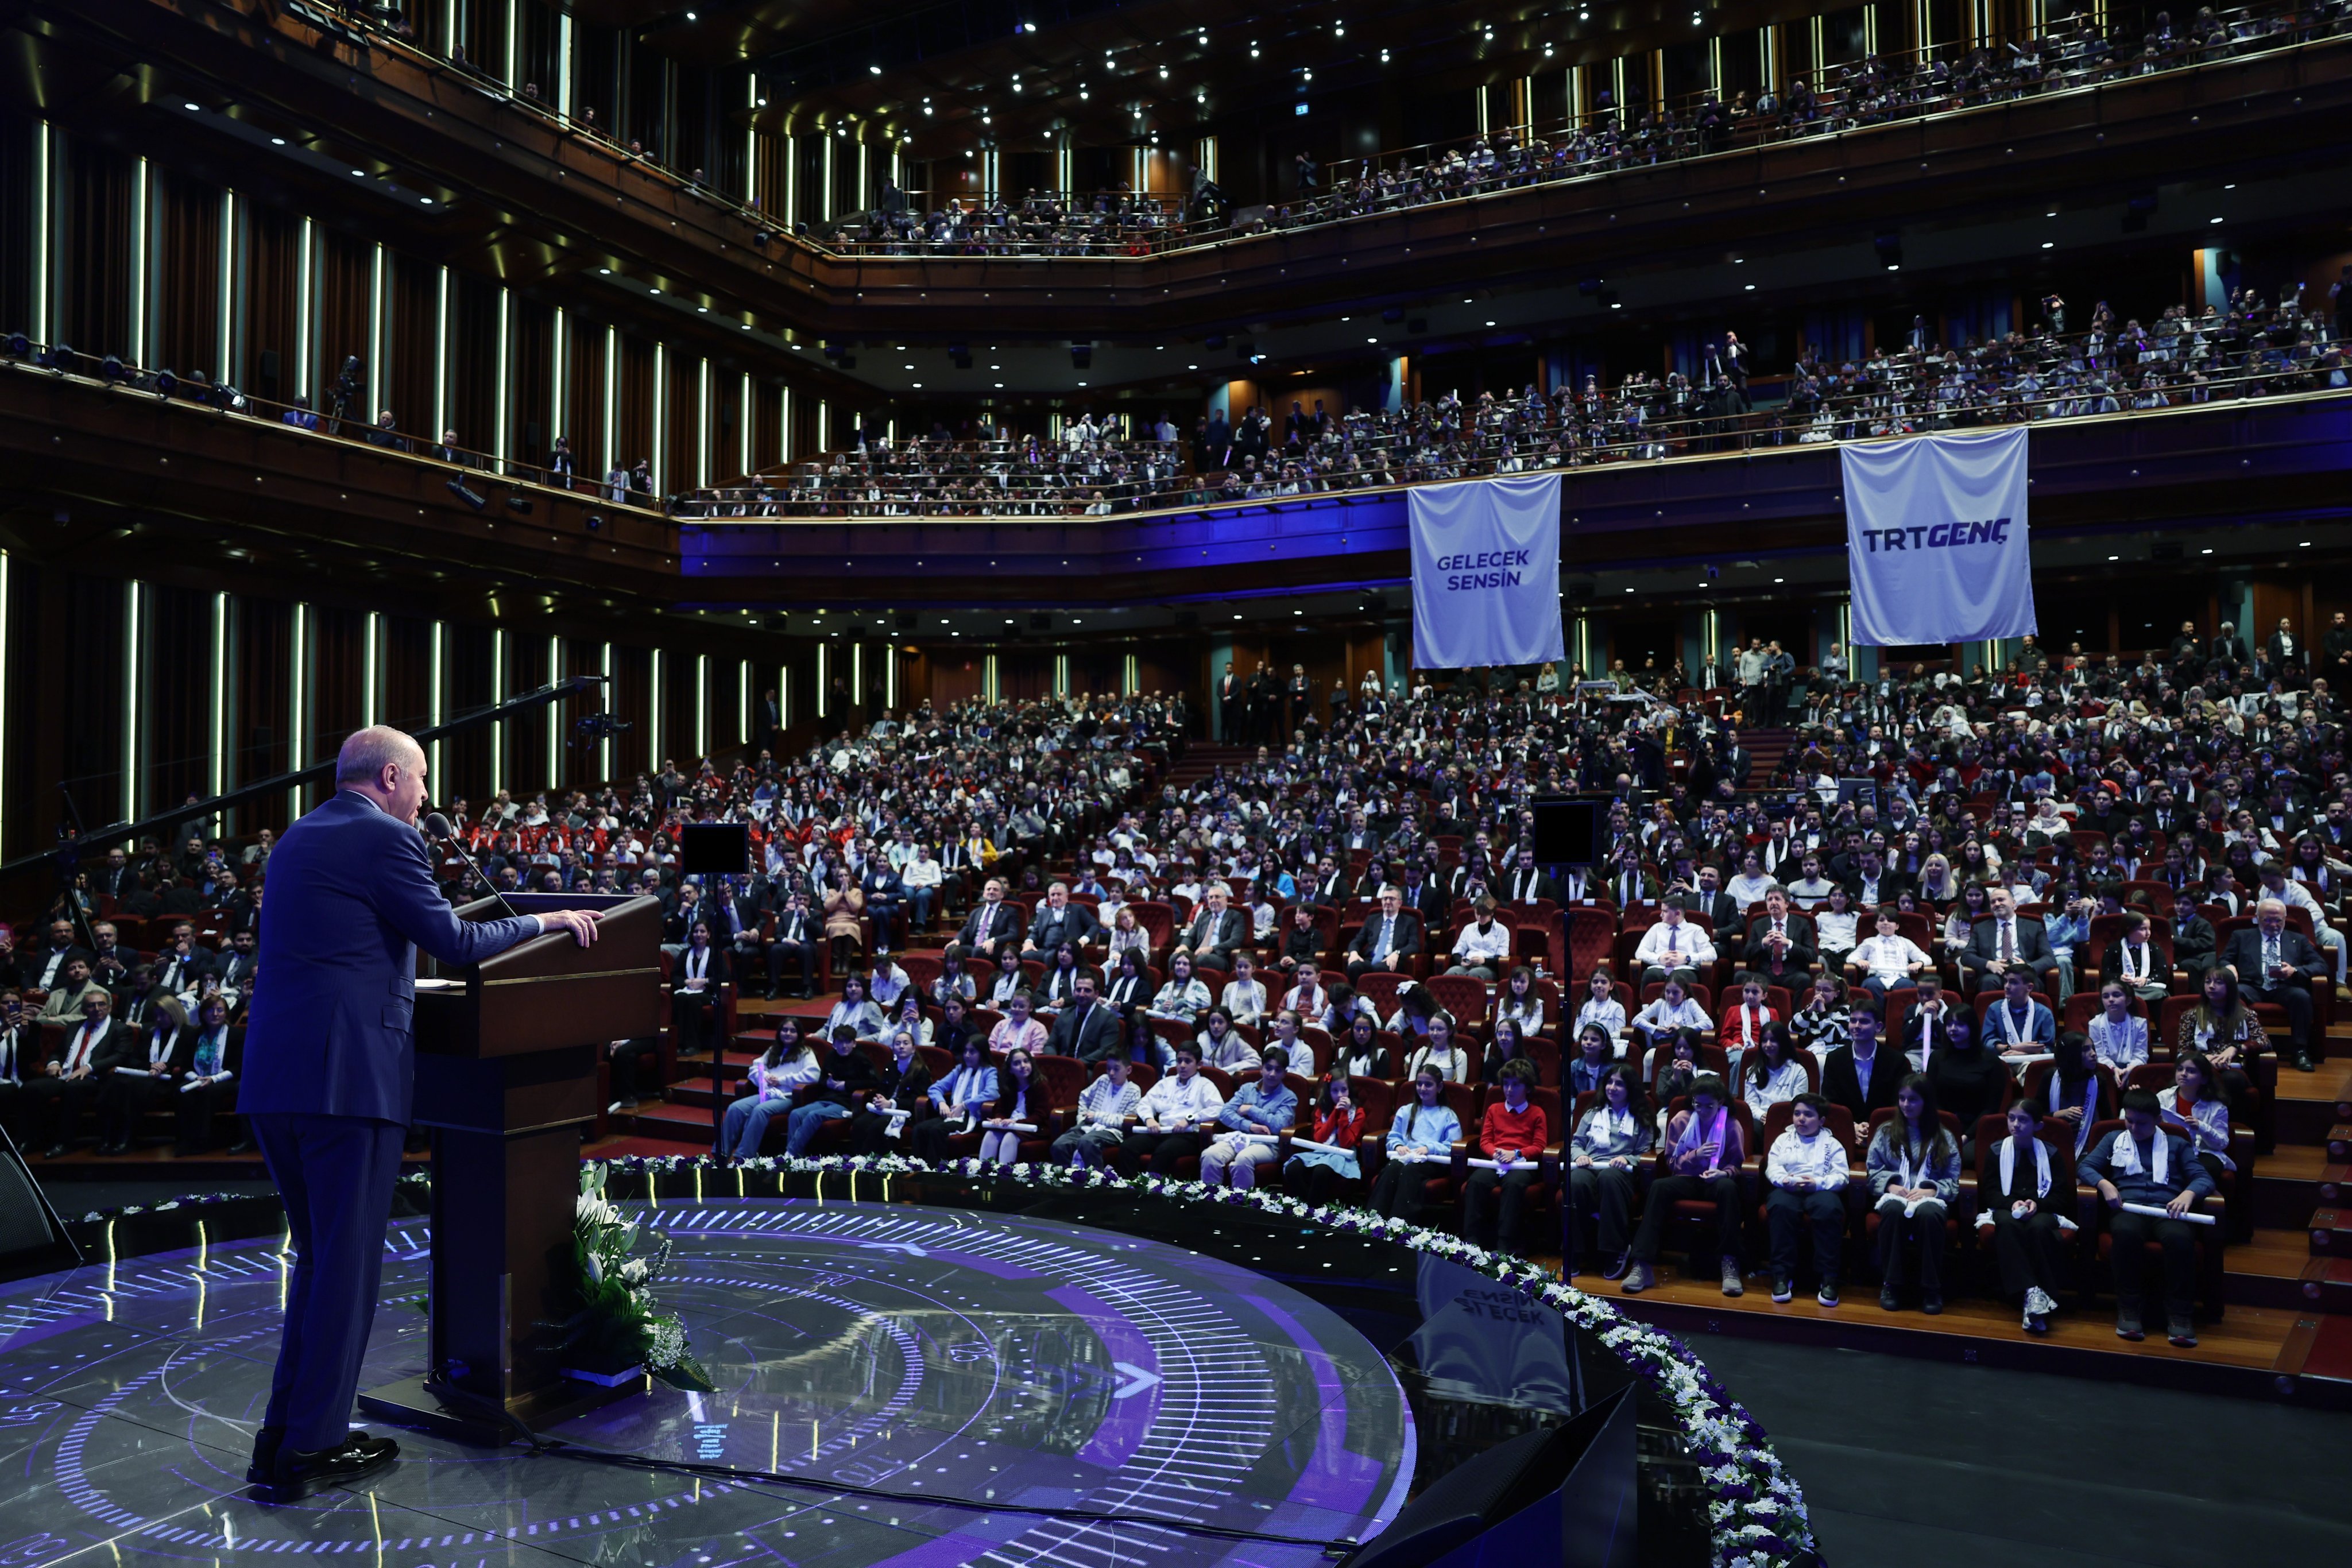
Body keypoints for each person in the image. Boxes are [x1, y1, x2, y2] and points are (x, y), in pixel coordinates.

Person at [237, 726, 598, 1499]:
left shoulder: (299, 835)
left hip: (278, 1077)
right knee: (346, 1268)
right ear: (392, 775)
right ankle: (311, 1448)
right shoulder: (385, 839)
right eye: (425, 778)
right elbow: (454, 940)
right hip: (347, 1084)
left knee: (318, 1260)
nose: (429, 795)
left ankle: (283, 1435)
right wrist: (546, 920)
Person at [2079, 1088, 2218, 1346]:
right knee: (2126, 1234)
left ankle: (2179, 1314)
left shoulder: (2177, 1144)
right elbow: (2085, 1166)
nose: (2133, 1128)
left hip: (2168, 1210)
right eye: (2129, 1121)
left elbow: (2203, 1178)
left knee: (2179, 1240)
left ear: (2158, 1120)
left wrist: (2188, 1194)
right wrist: (2105, 1184)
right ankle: (2130, 1308)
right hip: (2129, 1209)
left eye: (2141, 1123)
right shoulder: (2113, 1139)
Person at [1624, 1072, 1746, 1297]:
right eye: (1697, 1105)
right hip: (1687, 1179)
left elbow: (1738, 1164)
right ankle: (1642, 1264)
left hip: (1716, 1181)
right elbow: (1671, 1161)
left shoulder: (1731, 1124)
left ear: (1720, 1102)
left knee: (1729, 1189)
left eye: (1708, 1106)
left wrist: (1723, 1173)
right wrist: (1695, 1155)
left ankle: (1730, 1264)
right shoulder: (1681, 1120)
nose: (1702, 1110)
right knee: (1660, 1187)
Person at [1978, 1098, 2076, 1334]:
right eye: (2012, 1118)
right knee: (2007, 1224)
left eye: (2023, 1120)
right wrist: (2013, 1203)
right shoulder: (1996, 1150)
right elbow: (1990, 1193)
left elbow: (2061, 1195)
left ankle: (2031, 1297)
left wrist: (2036, 1204)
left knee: (2039, 1228)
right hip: (2006, 1207)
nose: (2016, 1125)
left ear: (2038, 1126)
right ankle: (2034, 1293)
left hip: (2041, 1209)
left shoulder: (2051, 1153)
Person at [1866, 1074, 1960, 1313]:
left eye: (1913, 1100)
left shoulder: (1944, 1136)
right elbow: (1873, 1170)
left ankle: (1931, 1288)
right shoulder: (1886, 1132)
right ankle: (1891, 1284)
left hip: (1929, 1197)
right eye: (1902, 1099)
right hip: (1897, 1194)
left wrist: (1932, 1191)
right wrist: (1890, 1185)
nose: (1906, 1105)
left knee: (1929, 1214)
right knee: (1894, 1209)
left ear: (1926, 1102)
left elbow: (1954, 1179)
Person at [1564, 1063, 1651, 1277]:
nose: (1612, 1088)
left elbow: (1645, 1153)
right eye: (1610, 1083)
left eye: (1619, 1084)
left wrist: (1627, 1158)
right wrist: (1579, 1155)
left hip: (1621, 1172)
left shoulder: (1641, 1117)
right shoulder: (1593, 1113)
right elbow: (1576, 1143)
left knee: (1609, 1178)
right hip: (1591, 1164)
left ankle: (1616, 1249)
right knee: (1575, 1180)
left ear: (1630, 1088)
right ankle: (1574, 1250)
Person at [1765, 1092, 1850, 1307]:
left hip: (1819, 1187)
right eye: (1797, 1114)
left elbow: (1842, 1176)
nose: (1801, 1119)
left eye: (1808, 1115)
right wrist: (1784, 1180)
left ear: (1821, 1120)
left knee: (1829, 1209)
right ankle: (1782, 1275)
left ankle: (1829, 1278)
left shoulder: (1832, 1143)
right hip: (1788, 1187)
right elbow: (1773, 1166)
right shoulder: (1783, 1140)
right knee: (1781, 1206)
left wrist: (1818, 1183)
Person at [2222, 897, 2323, 1070]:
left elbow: (2321, 965)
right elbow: (2224, 959)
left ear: (2285, 919)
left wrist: (2295, 971)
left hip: (2284, 987)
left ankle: (2300, 1051)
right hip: (2252, 986)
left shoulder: (2297, 939)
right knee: (2233, 993)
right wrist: (2229, 967)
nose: (2273, 925)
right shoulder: (2242, 936)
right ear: (2257, 918)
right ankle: (2234, 1046)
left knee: (2302, 997)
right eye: (2267, 920)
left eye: (2278, 920)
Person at [1461, 1057, 1548, 1255]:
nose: (1509, 1090)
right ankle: (1471, 1240)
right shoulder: (1494, 1109)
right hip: (1496, 1161)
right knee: (1476, 1182)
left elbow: (1539, 1145)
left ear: (1527, 1087)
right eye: (1506, 1085)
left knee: (1514, 1185)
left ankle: (1505, 1243)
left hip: (1521, 1165)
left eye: (1515, 1085)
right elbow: (1485, 1141)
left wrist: (1516, 1153)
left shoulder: (1537, 1113)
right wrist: (1497, 1153)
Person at [1365, 1067, 1460, 1220]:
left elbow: (1452, 1147)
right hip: (1405, 1158)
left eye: (1428, 1085)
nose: (1422, 1088)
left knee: (1410, 1171)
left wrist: (1429, 1148)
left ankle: (1399, 1224)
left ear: (1440, 1087)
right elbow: (1393, 1137)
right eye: (1419, 1084)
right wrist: (1398, 1146)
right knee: (1392, 1168)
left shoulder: (1448, 1115)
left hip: (1431, 1161)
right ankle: (1374, 1219)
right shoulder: (1406, 1111)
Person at [717, 1019, 818, 1161]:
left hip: (787, 1096)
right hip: (768, 1093)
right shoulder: (773, 1050)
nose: (788, 1033)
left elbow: (814, 1075)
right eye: (785, 1030)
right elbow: (755, 1069)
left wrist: (782, 1080)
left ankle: (743, 1157)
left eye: (792, 1031)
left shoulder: (806, 1053)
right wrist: (765, 1076)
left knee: (760, 1110)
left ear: (799, 1034)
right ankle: (721, 1154)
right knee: (736, 1108)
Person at [1200, 1048, 1299, 1187]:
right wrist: (1250, 1126)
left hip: (1268, 1145)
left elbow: (1279, 1125)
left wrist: (1252, 1110)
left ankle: (1240, 1204)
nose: (1272, 1074)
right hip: (1239, 1138)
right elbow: (1225, 1113)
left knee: (1243, 1159)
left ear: (1285, 1073)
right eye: (1269, 1068)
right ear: (1261, 1069)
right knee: (1210, 1155)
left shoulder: (1289, 1097)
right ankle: (1211, 1200)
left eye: (1278, 1070)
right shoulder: (1247, 1089)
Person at [1119, 1043, 1224, 1174]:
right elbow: (1145, 1103)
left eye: (1188, 1061)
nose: (1182, 1065)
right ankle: (1128, 1189)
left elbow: (1218, 1109)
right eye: (1179, 1061)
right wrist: (1149, 1119)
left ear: (1199, 1064)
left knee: (1164, 1151)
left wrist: (1190, 1119)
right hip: (1161, 1131)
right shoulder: (1166, 1082)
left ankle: (1150, 1190)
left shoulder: (1205, 1085)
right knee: (1127, 1147)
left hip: (1187, 1135)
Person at [785, 1025, 879, 1154]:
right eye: (840, 1042)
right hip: (827, 1099)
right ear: (834, 1043)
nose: (844, 1046)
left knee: (814, 1116)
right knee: (796, 1114)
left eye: (848, 1042)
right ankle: (797, 1156)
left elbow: (874, 1082)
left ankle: (790, 1154)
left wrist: (846, 1085)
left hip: (846, 1103)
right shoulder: (831, 1056)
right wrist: (828, 1083)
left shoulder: (861, 1059)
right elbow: (822, 1080)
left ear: (854, 1043)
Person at [1282, 1075, 1367, 1205]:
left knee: (1321, 1171)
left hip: (1344, 1154)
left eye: (1344, 1090)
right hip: (1321, 1151)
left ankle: (1314, 1209)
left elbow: (1346, 1143)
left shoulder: (1358, 1112)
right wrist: (1334, 1113)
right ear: (1329, 1091)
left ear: (1349, 1090)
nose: (1340, 1095)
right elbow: (1319, 1138)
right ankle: (1305, 1206)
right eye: (1335, 1091)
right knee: (1292, 1168)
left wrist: (1344, 1113)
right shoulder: (1322, 1110)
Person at [852, 1028, 933, 1153]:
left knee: (878, 1126)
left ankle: (874, 1162)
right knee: (860, 1123)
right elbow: (882, 1089)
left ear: (913, 1048)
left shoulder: (920, 1070)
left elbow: (917, 1099)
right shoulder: (891, 1066)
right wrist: (879, 1099)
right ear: (893, 1048)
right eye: (898, 1044)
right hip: (885, 1108)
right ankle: (856, 1160)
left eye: (906, 1043)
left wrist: (891, 1104)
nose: (901, 1047)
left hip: (905, 1112)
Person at [1051, 1055, 1140, 1168]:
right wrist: (1082, 1117)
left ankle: (1095, 1181)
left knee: (1087, 1142)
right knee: (1060, 1145)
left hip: (1113, 1131)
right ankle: (1065, 1180)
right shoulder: (1103, 1080)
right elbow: (1084, 1096)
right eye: (1108, 1069)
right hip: (1088, 1125)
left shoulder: (1134, 1090)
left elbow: (1125, 1120)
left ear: (1129, 1070)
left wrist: (1097, 1117)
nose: (1111, 1073)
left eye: (1116, 1069)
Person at [1822, 1004, 1901, 1128]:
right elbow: (1830, 1102)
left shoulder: (1896, 1061)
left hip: (1887, 1130)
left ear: (1878, 1027)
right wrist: (1853, 1127)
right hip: (1845, 1129)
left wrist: (1876, 1127)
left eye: (1864, 1022)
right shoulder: (1835, 1059)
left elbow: (1898, 1104)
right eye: (1853, 1021)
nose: (1857, 1026)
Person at [975, 1047, 1040, 1166]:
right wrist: (998, 1118)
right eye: (1017, 1063)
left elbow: (1040, 1116)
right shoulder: (1009, 1087)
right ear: (1010, 1070)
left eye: (1026, 1061)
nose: (1023, 1066)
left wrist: (1016, 1121)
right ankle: (982, 1173)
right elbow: (1001, 1110)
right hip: (1010, 1125)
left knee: (1010, 1137)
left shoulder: (1040, 1086)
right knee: (991, 1135)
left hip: (1032, 1128)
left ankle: (1004, 1174)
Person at [1741, 1023, 1810, 1122]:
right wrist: (1762, 1116)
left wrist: (1777, 1118)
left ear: (1783, 1042)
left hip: (1788, 1120)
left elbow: (1799, 1104)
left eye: (1773, 1040)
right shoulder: (1753, 1072)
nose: (1768, 1045)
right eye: (1764, 1041)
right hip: (1761, 1119)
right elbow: (1751, 1103)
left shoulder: (1798, 1071)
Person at [1983, 967, 2056, 1060]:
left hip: (2032, 1062)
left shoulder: (2044, 1013)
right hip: (2002, 1060)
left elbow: (2048, 1048)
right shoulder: (1994, 1009)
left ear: (2029, 987)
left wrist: (2023, 1055)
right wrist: (2012, 1048)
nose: (2007, 986)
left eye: (2013, 982)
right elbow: (1987, 1044)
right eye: (2006, 981)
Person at [1634, 905, 1715, 986]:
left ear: (1677, 913)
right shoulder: (1657, 928)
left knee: (1680, 978)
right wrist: (1659, 958)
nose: (1661, 915)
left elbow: (1712, 954)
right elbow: (1640, 952)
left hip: (1685, 968)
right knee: (1650, 976)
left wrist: (1687, 958)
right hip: (1659, 967)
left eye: (1665, 912)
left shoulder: (1696, 930)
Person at [2085, 981, 2149, 1075]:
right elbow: (2099, 1055)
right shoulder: (2095, 1024)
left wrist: (2128, 1070)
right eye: (2106, 996)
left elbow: (2141, 1055)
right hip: (2106, 1070)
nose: (2111, 999)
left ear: (2128, 1001)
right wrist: (2114, 1069)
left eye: (2116, 995)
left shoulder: (2140, 1024)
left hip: (2133, 1070)